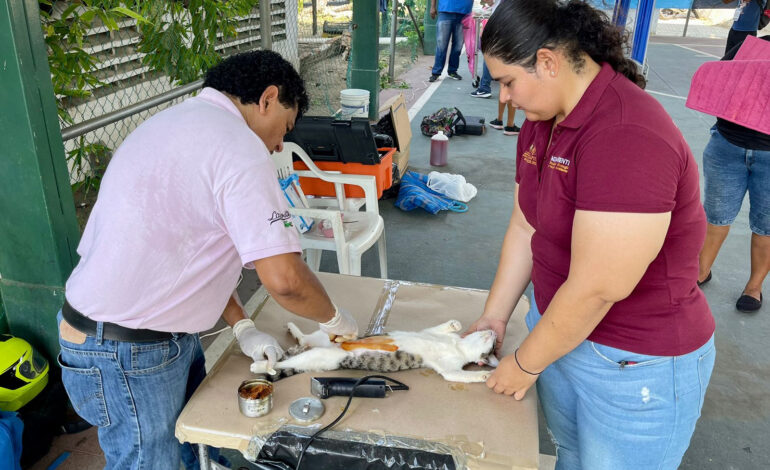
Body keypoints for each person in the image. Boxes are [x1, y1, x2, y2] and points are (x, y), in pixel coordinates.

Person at [56, 50, 359, 469]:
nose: (279, 144)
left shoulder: (173, 123)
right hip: (128, 350)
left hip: (117, 337)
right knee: (152, 463)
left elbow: (193, 254)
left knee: (199, 447)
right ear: (268, 98)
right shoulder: (239, 147)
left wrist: (243, 325)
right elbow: (285, 280)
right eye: (284, 128)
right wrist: (336, 323)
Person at [463, 1, 716, 469]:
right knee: (573, 455)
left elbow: (600, 285)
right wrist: (495, 317)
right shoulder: (542, 122)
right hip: (559, 334)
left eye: (507, 81)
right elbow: (525, 225)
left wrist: (523, 364)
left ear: (547, 62)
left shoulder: (627, 133)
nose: (504, 98)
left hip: (633, 360)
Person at [697, 35, 770, 312]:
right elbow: (718, 81)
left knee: (766, 226)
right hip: (727, 145)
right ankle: (701, 271)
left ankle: (754, 286)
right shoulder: (752, 46)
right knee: (715, 217)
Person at [428, 0, 473, 82]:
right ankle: (436, 73)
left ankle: (452, 71)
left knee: (458, 46)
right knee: (441, 45)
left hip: (464, 13)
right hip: (446, 10)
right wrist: (432, 6)